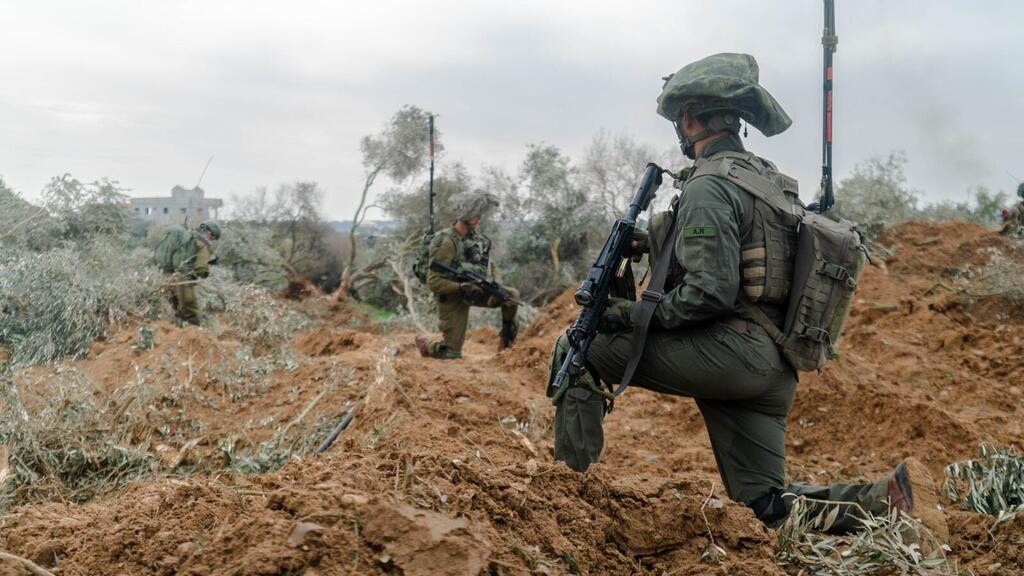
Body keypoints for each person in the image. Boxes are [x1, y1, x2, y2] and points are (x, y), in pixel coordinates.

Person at [547, 53, 947, 539]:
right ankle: (891, 500)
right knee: (765, 505)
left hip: (731, 354)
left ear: (691, 118)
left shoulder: (710, 184)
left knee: (578, 347)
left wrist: (626, 315)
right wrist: (652, 243)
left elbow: (708, 293)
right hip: (774, 365)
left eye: (680, 118)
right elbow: (736, 248)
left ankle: (566, 499)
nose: (680, 127)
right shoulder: (764, 178)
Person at [416, 192, 518, 359]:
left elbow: (491, 266)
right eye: (476, 213)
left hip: (476, 291)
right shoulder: (445, 242)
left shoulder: (478, 239)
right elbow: (434, 282)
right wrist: (462, 287)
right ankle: (427, 345)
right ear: (465, 213)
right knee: (451, 353)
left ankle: (506, 344)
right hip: (452, 296)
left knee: (511, 296)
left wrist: (495, 285)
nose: (479, 217)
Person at [164, 220, 220, 326]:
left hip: (171, 278)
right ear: (209, 233)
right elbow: (201, 266)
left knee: (177, 309)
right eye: (213, 237)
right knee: (191, 310)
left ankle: (177, 334)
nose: (212, 241)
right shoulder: (202, 243)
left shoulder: (188, 238)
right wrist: (202, 275)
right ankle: (192, 336)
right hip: (184, 280)